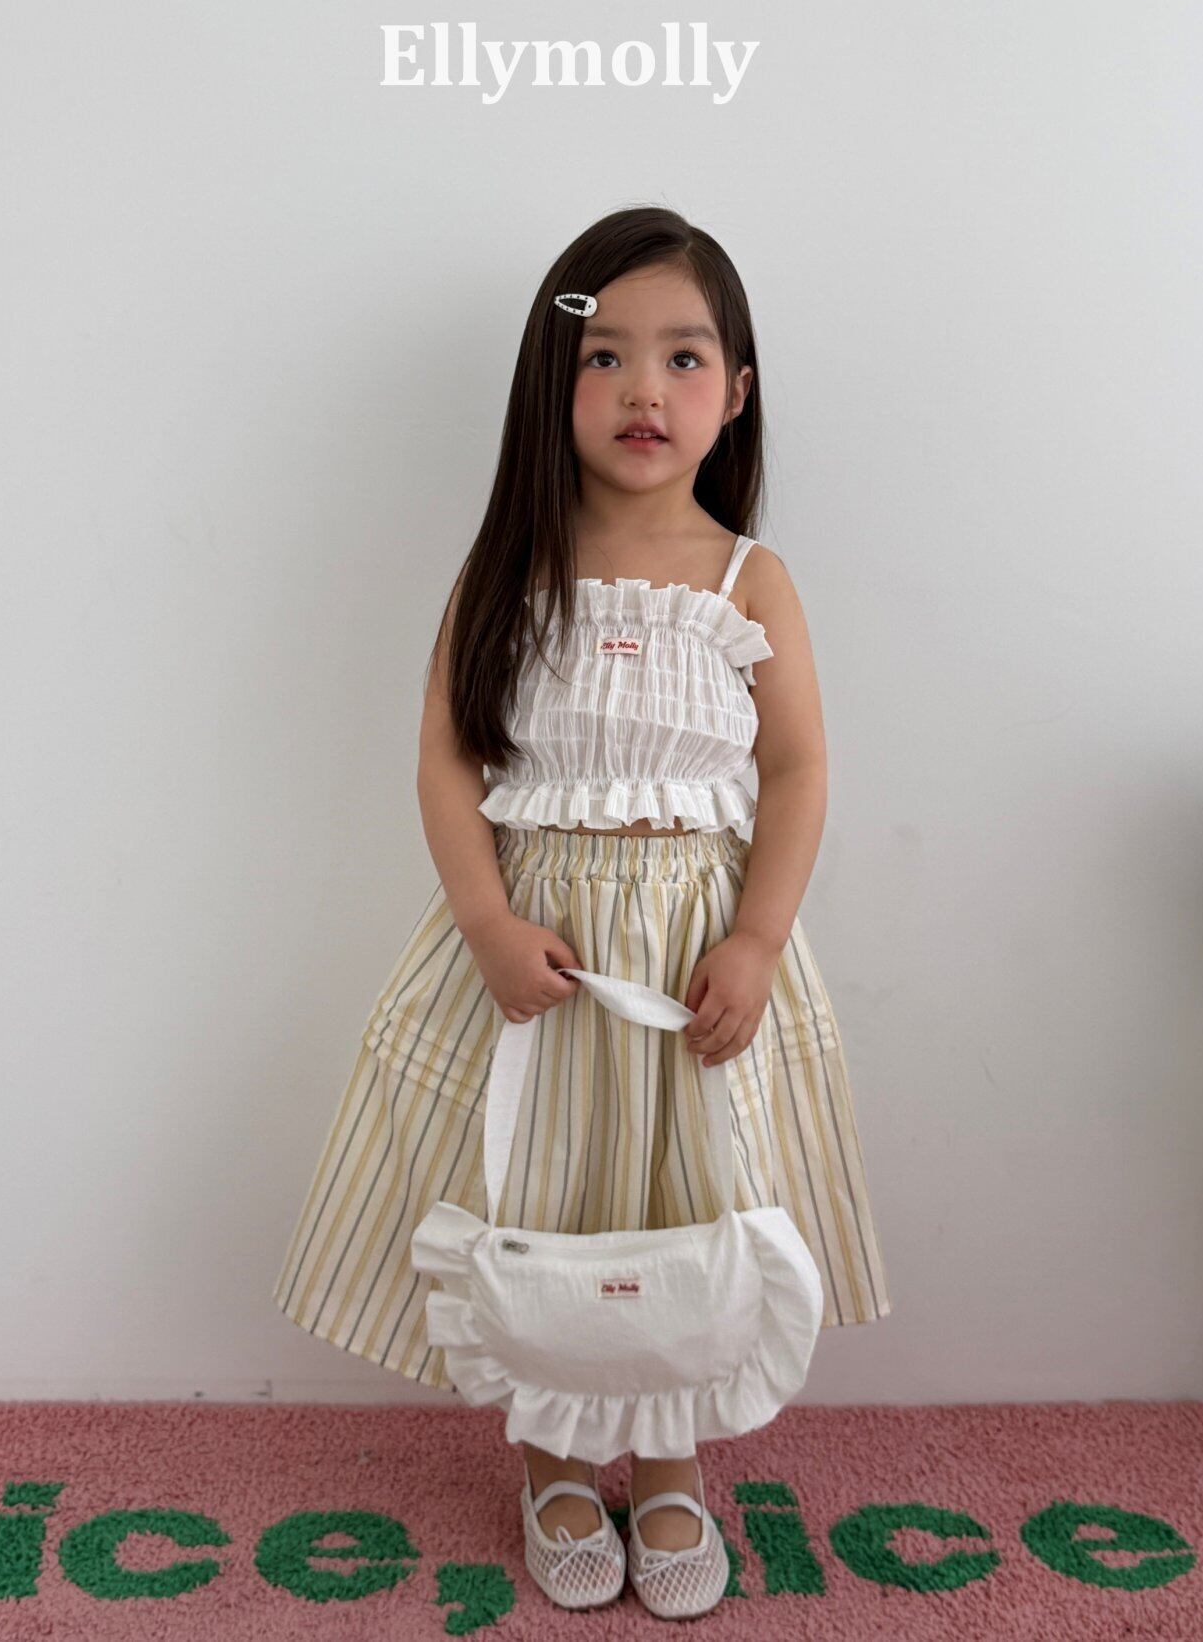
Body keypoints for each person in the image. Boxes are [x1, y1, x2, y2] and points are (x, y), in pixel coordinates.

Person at [272, 205, 892, 1618]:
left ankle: (669, 1462)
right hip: (539, 965)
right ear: (552, 387)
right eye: (604, 355)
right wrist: (487, 922)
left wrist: (757, 937)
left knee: (683, 1200)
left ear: (736, 390)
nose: (642, 389)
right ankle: (553, 1459)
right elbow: (447, 761)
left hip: (691, 965)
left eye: (683, 357)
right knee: (546, 1203)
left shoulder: (749, 581)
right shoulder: (508, 574)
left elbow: (798, 769)